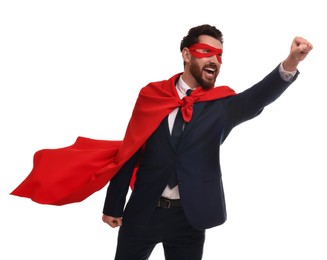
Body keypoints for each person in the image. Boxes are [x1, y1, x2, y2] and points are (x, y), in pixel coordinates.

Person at [101, 24, 313, 260]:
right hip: (142, 212)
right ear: (186, 54)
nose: (215, 60)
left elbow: (258, 97)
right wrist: (113, 205)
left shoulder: (222, 106)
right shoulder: (151, 95)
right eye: (206, 52)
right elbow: (130, 149)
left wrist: (291, 62)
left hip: (188, 219)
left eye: (219, 55)